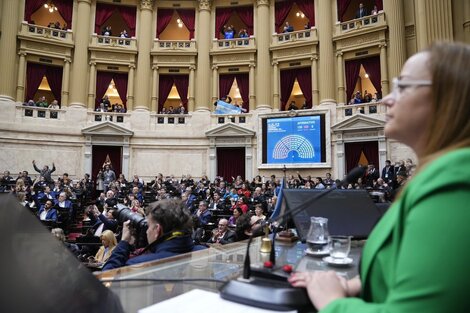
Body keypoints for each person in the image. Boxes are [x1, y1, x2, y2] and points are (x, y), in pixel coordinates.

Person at [289, 42, 470, 312]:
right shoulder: (434, 175)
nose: (386, 98)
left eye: (404, 87)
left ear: (448, 98)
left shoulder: (455, 185)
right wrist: (356, 285)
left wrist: (333, 302)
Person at [103, 199, 207, 270]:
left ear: (157, 230)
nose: (146, 231)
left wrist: (124, 243)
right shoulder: (205, 253)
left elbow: (106, 282)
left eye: (148, 226)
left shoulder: (140, 265)